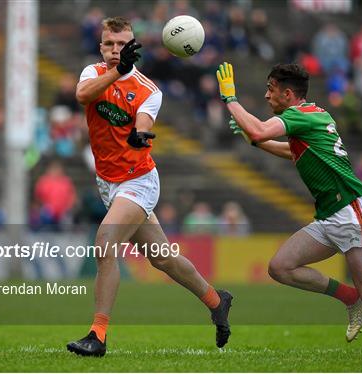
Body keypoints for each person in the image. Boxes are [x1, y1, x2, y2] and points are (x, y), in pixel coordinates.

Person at [216, 61, 362, 361]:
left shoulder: (300, 115)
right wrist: (256, 140)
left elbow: (259, 130)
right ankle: (348, 297)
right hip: (331, 213)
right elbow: (288, 150)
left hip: (350, 210)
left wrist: (231, 100)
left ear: (287, 94)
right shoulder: (313, 114)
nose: (266, 96)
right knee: (281, 267)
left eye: (270, 90)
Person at [66, 17, 232, 357]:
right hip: (109, 183)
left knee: (105, 243)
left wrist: (140, 134)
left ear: (132, 47)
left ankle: (97, 336)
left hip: (138, 180)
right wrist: (115, 71)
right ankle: (217, 301)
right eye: (109, 44)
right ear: (101, 47)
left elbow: (144, 120)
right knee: (163, 259)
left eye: (121, 44)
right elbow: (83, 96)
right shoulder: (92, 74)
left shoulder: (148, 90)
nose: (115, 50)